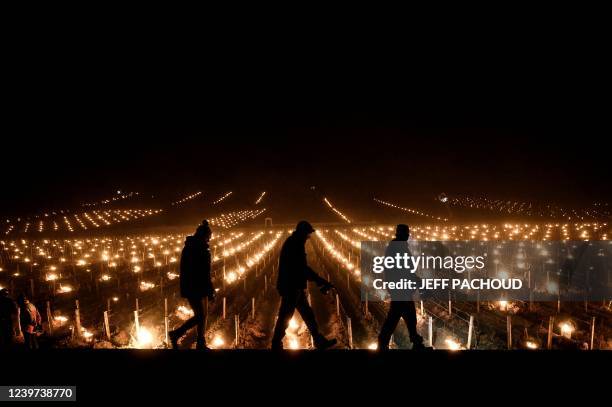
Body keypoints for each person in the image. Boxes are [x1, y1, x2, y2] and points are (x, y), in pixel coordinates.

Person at [271, 220, 337, 350]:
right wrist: (320, 280)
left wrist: (319, 280)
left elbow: (302, 268)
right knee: (285, 316)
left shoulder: (294, 242)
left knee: (308, 315)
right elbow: (302, 268)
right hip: (291, 286)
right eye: (308, 234)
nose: (309, 237)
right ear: (302, 233)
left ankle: (318, 341)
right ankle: (275, 343)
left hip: (295, 286)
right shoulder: (295, 244)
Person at [377, 224, 427, 350]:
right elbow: (402, 270)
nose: (407, 235)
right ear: (399, 234)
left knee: (409, 316)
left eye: (407, 233)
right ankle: (383, 344)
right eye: (405, 233)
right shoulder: (396, 248)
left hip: (402, 289)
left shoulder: (399, 247)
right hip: (400, 289)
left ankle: (414, 340)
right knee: (395, 318)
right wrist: (416, 280)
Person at [169, 221, 215, 349]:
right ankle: (176, 334)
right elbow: (204, 271)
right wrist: (210, 290)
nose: (210, 239)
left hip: (194, 285)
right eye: (209, 236)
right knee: (200, 315)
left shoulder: (190, 247)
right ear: (204, 236)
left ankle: (201, 342)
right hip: (196, 286)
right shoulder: (200, 249)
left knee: (203, 315)